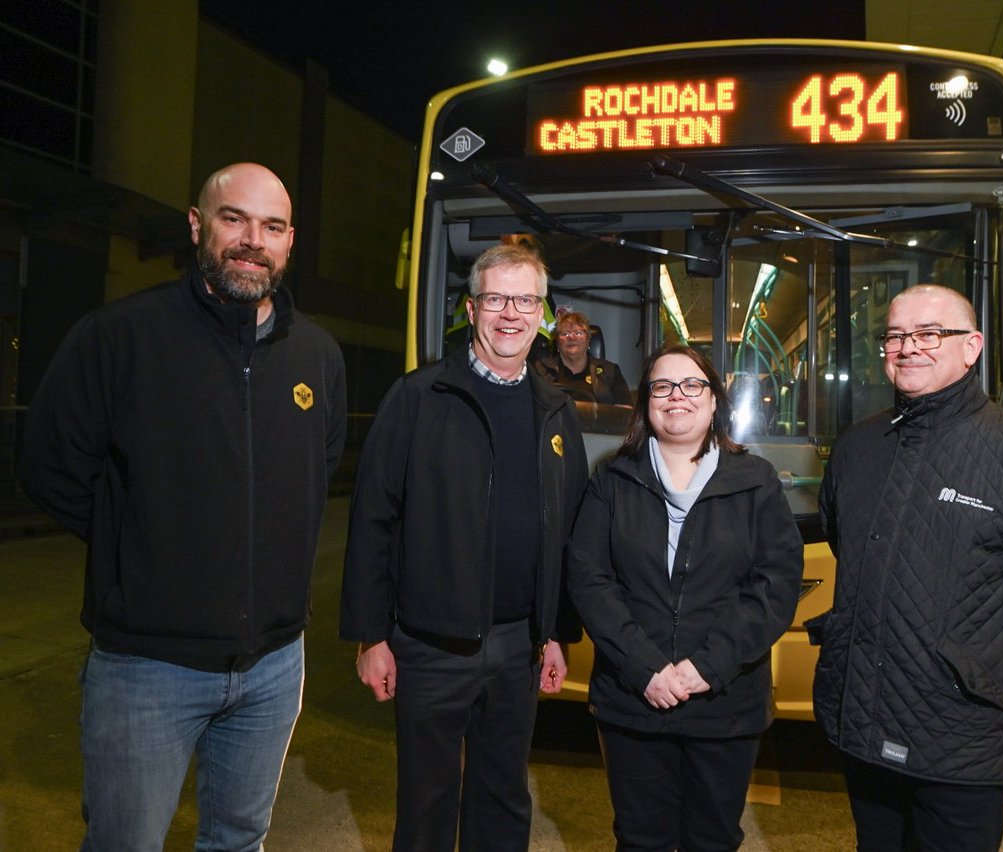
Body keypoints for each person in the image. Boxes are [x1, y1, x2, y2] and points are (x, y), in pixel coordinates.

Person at [18, 162, 347, 849]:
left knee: (239, 841)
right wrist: (138, 545)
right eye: (234, 219)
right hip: (146, 668)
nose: (252, 240)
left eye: (272, 226)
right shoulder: (119, 336)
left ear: (290, 242)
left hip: (273, 664)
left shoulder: (317, 356)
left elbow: (318, 469)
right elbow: (49, 466)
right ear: (198, 225)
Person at [807, 284, 1003, 852]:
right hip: (863, 717)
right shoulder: (858, 446)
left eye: (928, 334)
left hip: (963, 734)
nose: (907, 347)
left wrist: (979, 651)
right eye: (895, 335)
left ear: (972, 348)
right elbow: (853, 548)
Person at [340, 243, 589, 851]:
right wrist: (372, 637)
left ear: (543, 315)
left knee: (504, 798)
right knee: (426, 806)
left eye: (526, 300)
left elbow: (567, 530)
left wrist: (555, 629)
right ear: (472, 308)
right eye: (498, 298)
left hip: (517, 648)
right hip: (429, 645)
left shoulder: (556, 410)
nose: (512, 313)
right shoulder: (420, 398)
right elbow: (373, 519)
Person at [568, 345, 804, 850]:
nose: (677, 396)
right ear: (645, 402)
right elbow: (589, 579)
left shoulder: (755, 481)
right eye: (662, 386)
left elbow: (775, 585)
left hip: (725, 703)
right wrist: (646, 670)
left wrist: (707, 668)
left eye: (691, 385)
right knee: (639, 838)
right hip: (634, 700)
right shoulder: (612, 478)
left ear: (714, 399)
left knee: (713, 838)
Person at [532, 310, 632, 405]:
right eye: (565, 333)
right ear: (557, 343)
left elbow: (625, 412)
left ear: (588, 340)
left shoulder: (610, 371)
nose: (571, 337)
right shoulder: (540, 370)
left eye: (578, 333)